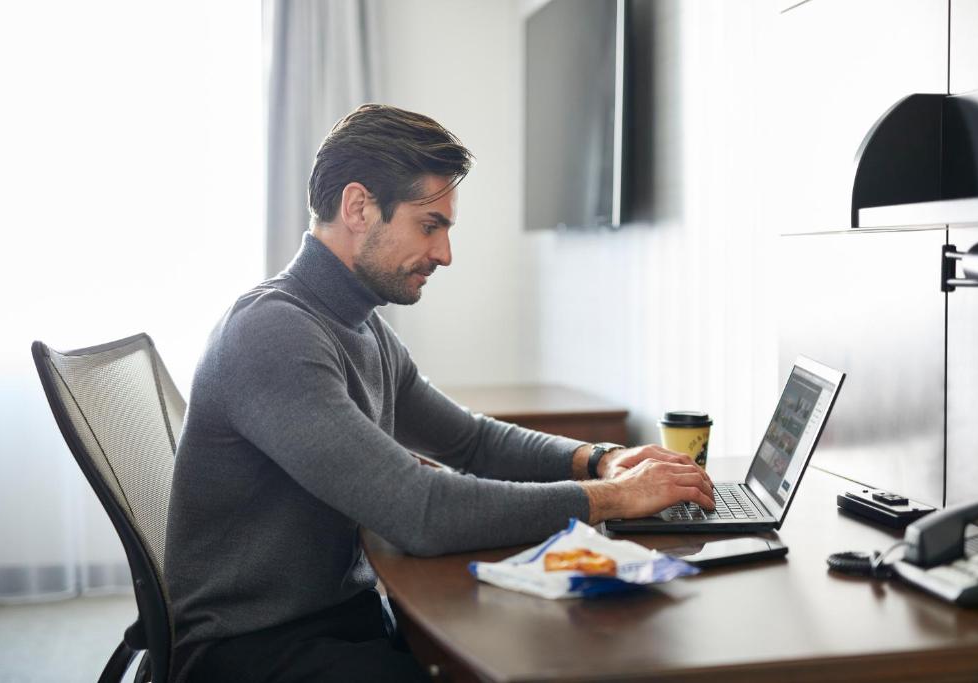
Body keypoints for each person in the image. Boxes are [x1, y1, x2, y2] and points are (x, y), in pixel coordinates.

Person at [165, 103, 714, 682]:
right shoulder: (272, 332)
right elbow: (419, 512)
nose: (445, 254)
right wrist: (613, 498)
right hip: (249, 653)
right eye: (430, 226)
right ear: (358, 207)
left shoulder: (359, 324)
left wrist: (602, 459)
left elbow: (471, 441)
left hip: (335, 620)